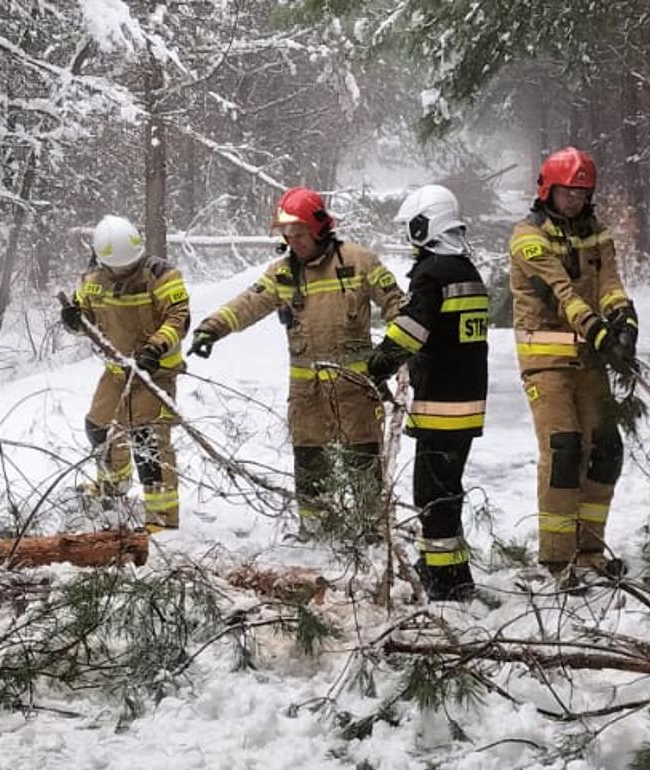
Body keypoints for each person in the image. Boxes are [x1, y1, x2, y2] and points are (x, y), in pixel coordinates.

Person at [188, 188, 405, 537]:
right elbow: (247, 303)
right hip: (308, 395)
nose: (293, 242)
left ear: (319, 229)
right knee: (309, 461)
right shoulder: (282, 274)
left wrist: (397, 352)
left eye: (300, 234)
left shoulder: (359, 262)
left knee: (362, 461)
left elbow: (397, 305)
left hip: (354, 392)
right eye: (287, 236)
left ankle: (370, 531)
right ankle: (315, 529)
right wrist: (211, 329)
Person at [507, 146, 638, 585]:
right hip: (546, 362)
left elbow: (609, 283)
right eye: (568, 193)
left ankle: (590, 550)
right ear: (548, 189)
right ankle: (556, 558)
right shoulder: (527, 236)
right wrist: (598, 330)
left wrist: (624, 319)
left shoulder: (596, 233)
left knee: (605, 450)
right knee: (563, 449)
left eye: (583, 194)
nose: (576, 201)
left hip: (588, 361)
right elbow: (560, 292)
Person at [365, 185, 488, 600]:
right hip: (468, 402)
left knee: (433, 496)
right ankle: (454, 572)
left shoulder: (432, 274)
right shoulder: (467, 271)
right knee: (447, 491)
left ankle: (444, 581)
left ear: (425, 225)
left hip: (442, 404)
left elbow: (411, 331)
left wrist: (379, 364)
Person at [59, 215, 190, 532]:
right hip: (117, 372)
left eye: (131, 264)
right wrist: (73, 321)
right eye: (119, 267)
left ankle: (162, 517)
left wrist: (155, 348)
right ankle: (113, 485)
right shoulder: (92, 280)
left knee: (148, 439)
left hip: (155, 372)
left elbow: (178, 318)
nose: (126, 270)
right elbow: (86, 321)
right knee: (98, 427)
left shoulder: (162, 275)